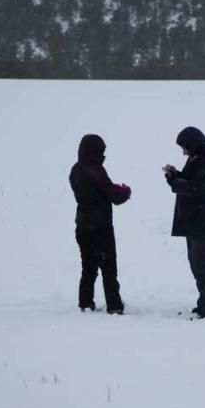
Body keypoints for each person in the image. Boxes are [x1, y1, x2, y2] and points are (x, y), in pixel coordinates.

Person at [163, 126, 205, 319]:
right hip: (198, 222)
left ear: (193, 144)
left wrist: (174, 183)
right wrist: (176, 175)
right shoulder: (200, 156)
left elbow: (198, 188)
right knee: (197, 264)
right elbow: (192, 180)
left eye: (184, 147)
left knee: (204, 265)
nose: (183, 152)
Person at [69, 134, 131, 314]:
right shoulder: (95, 170)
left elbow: (97, 191)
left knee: (88, 267)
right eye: (101, 151)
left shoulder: (76, 169)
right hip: (101, 227)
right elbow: (113, 195)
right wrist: (125, 191)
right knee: (108, 268)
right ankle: (114, 306)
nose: (103, 154)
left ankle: (85, 303)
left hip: (82, 225)